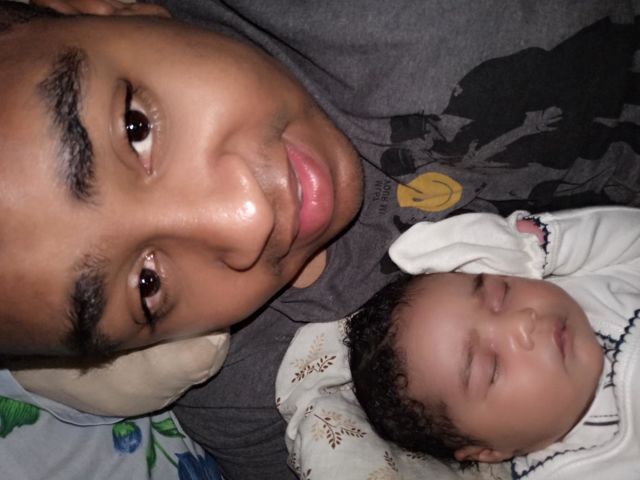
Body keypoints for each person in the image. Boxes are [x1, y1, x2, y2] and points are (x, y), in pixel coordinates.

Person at [1, 0, 639, 478]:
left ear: (106, 7)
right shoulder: (258, 402)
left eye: (136, 127)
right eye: (147, 285)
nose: (247, 220)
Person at [347, 206, 640, 479]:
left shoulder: (589, 279)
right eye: (492, 366)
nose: (522, 322)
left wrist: (527, 246)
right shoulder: (582, 469)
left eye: (502, 294)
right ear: (487, 451)